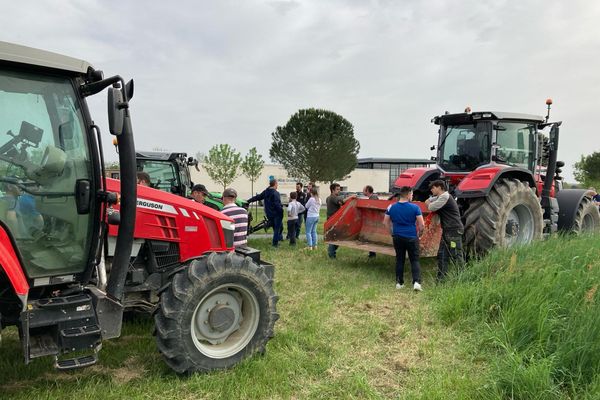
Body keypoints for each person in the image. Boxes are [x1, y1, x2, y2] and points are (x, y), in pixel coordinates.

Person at [383, 186, 424, 291]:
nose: (412, 196)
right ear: (408, 194)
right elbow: (421, 224)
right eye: (412, 194)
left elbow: (385, 222)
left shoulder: (391, 207)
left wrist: (392, 233)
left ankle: (399, 283)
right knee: (414, 260)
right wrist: (419, 234)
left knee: (400, 260)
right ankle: (416, 282)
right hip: (411, 237)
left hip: (397, 236)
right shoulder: (415, 208)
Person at [425, 180, 464, 281]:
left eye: (433, 188)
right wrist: (430, 200)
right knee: (442, 254)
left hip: (454, 231)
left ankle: (461, 279)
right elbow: (432, 200)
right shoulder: (441, 197)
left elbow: (431, 207)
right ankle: (441, 279)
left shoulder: (445, 197)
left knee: (456, 254)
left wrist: (429, 202)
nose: (431, 190)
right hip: (447, 231)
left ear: (439, 187)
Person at [248, 179, 284, 247]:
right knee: (277, 229)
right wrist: (281, 212)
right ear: (275, 184)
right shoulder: (275, 193)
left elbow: (257, 197)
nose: (277, 185)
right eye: (277, 184)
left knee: (278, 227)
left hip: (269, 214)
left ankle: (277, 238)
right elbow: (277, 204)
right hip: (276, 214)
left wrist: (248, 201)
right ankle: (275, 244)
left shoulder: (266, 192)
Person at [326, 183, 356, 259]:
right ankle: (331, 255)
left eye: (340, 189)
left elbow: (340, 202)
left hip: (332, 220)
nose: (339, 191)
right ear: (332, 190)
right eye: (337, 189)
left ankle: (331, 251)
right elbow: (342, 201)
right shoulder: (333, 197)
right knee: (335, 239)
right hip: (333, 221)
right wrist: (351, 197)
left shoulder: (329, 198)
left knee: (336, 239)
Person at [363, 185, 379, 259]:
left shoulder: (373, 198)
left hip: (374, 222)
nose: (363, 191)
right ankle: (372, 253)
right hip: (373, 221)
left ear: (367, 190)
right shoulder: (372, 197)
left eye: (364, 190)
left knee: (371, 237)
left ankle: (372, 254)